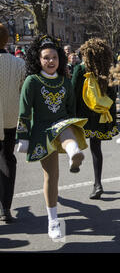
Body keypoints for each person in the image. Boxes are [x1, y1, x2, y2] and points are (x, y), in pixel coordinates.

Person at [16, 35, 88, 240]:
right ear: (38, 60)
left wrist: (73, 123)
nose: (50, 61)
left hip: (62, 125)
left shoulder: (65, 82)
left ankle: (74, 153)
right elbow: (24, 110)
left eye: (54, 57)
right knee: (52, 176)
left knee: (64, 128)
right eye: (46, 57)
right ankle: (53, 220)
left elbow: (71, 108)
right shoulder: (32, 81)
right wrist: (23, 136)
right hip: (41, 131)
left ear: (60, 59)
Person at [72, 38, 119, 199]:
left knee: (73, 141)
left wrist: (71, 115)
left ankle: (74, 159)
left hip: (83, 116)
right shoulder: (108, 71)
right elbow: (113, 96)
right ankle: (97, 183)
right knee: (96, 149)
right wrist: (112, 118)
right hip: (100, 116)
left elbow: (74, 92)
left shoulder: (80, 70)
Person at [0, 23, 26, 223]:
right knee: (8, 159)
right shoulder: (18, 63)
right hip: (10, 118)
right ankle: (5, 207)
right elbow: (21, 90)